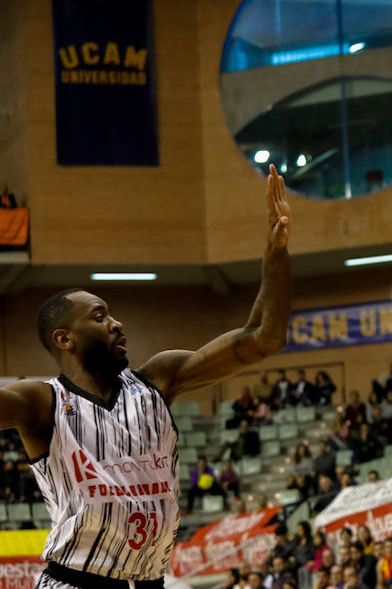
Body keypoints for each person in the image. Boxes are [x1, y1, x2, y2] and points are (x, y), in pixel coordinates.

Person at [0, 165, 292, 587]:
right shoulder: (41, 402)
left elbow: (264, 338)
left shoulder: (159, 379)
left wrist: (276, 252)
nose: (116, 324)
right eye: (100, 317)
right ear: (64, 338)